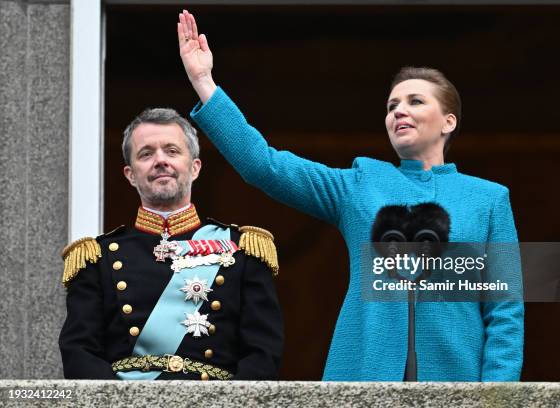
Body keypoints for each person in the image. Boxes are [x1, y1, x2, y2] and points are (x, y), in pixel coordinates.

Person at [177, 10, 523, 381]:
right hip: (364, 376)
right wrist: (204, 82)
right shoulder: (360, 183)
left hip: (458, 382)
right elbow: (266, 166)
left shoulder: (488, 200)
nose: (399, 111)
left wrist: (496, 396)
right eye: (392, 106)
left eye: (415, 101)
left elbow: (504, 313)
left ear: (448, 121)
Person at [59, 107, 283, 380]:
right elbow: (79, 354)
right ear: (130, 174)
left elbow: (263, 354)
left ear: (195, 167)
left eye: (172, 151)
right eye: (146, 153)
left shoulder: (242, 250)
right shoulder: (98, 257)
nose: (160, 160)